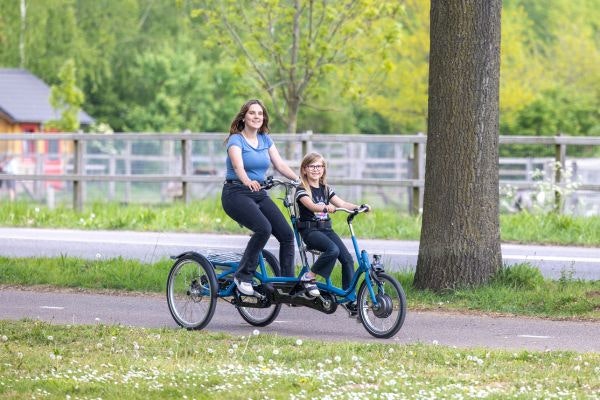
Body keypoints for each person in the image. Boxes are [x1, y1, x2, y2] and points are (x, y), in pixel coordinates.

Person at [221, 99, 300, 296]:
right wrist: (247, 180)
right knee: (263, 228)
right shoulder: (236, 140)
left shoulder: (265, 139)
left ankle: (286, 285)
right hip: (235, 193)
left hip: (258, 192)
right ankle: (243, 275)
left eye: (260, 113)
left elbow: (280, 165)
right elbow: (238, 166)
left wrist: (299, 181)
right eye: (252, 113)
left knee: (287, 235)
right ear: (244, 117)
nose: (257, 116)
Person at [295, 152, 370, 314]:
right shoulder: (301, 189)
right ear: (304, 169)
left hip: (327, 230)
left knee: (348, 259)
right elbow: (311, 206)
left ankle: (350, 299)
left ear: (324, 169)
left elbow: (342, 203)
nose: (316, 169)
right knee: (332, 250)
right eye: (312, 166)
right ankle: (309, 277)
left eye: (319, 166)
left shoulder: (326, 189)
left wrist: (358, 207)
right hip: (310, 231)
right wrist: (324, 207)